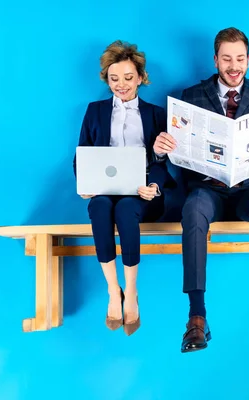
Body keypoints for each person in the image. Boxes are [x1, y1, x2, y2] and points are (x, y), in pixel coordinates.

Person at [153, 27, 249, 352]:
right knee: (193, 208)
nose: (233, 65)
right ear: (215, 60)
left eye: (239, 58)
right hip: (207, 190)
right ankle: (196, 317)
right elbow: (173, 149)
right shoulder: (191, 96)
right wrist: (160, 147)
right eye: (227, 58)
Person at [73, 40, 170, 336]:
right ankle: (113, 291)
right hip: (105, 190)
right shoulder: (95, 111)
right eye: (114, 79)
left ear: (140, 77)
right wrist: (85, 183)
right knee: (99, 206)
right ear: (107, 79)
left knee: (127, 209)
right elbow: (82, 153)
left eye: (128, 78)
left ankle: (131, 290)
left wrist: (153, 185)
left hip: (141, 195)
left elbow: (162, 162)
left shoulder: (155, 113)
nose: (121, 85)